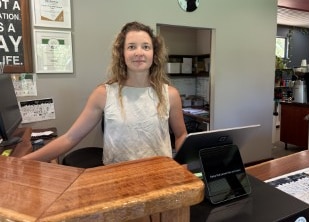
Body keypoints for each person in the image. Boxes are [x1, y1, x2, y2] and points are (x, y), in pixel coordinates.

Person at [22, 21, 187, 165]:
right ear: (122, 54)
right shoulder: (104, 94)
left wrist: (186, 164)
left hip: (160, 176)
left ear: (154, 53)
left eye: (146, 47)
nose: (139, 52)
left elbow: (180, 135)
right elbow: (70, 138)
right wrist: (21, 163)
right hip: (116, 177)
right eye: (131, 47)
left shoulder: (170, 95)